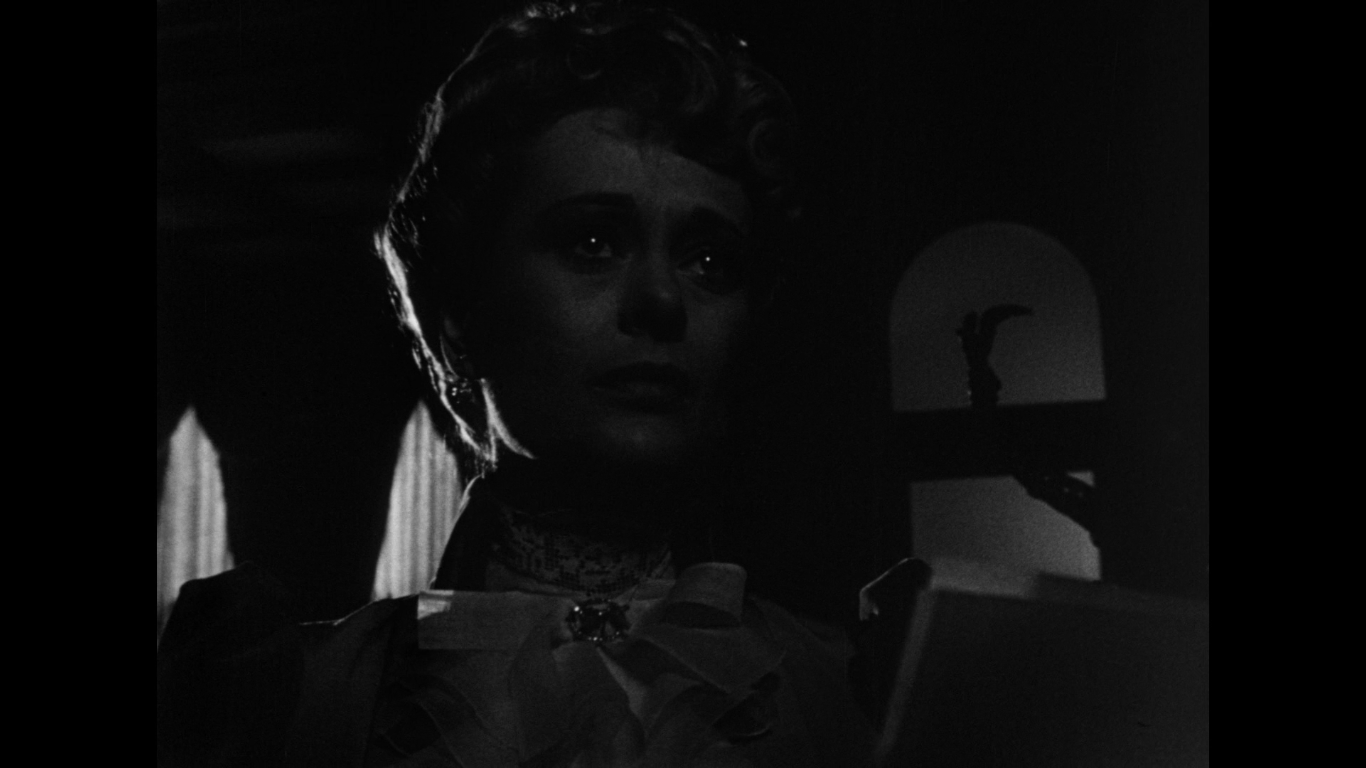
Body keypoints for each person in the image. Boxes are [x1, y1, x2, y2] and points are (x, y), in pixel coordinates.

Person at [157, 3, 876, 765]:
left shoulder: (847, 694)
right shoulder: (296, 701)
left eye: (709, 260)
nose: (663, 300)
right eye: (592, 242)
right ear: (460, 307)